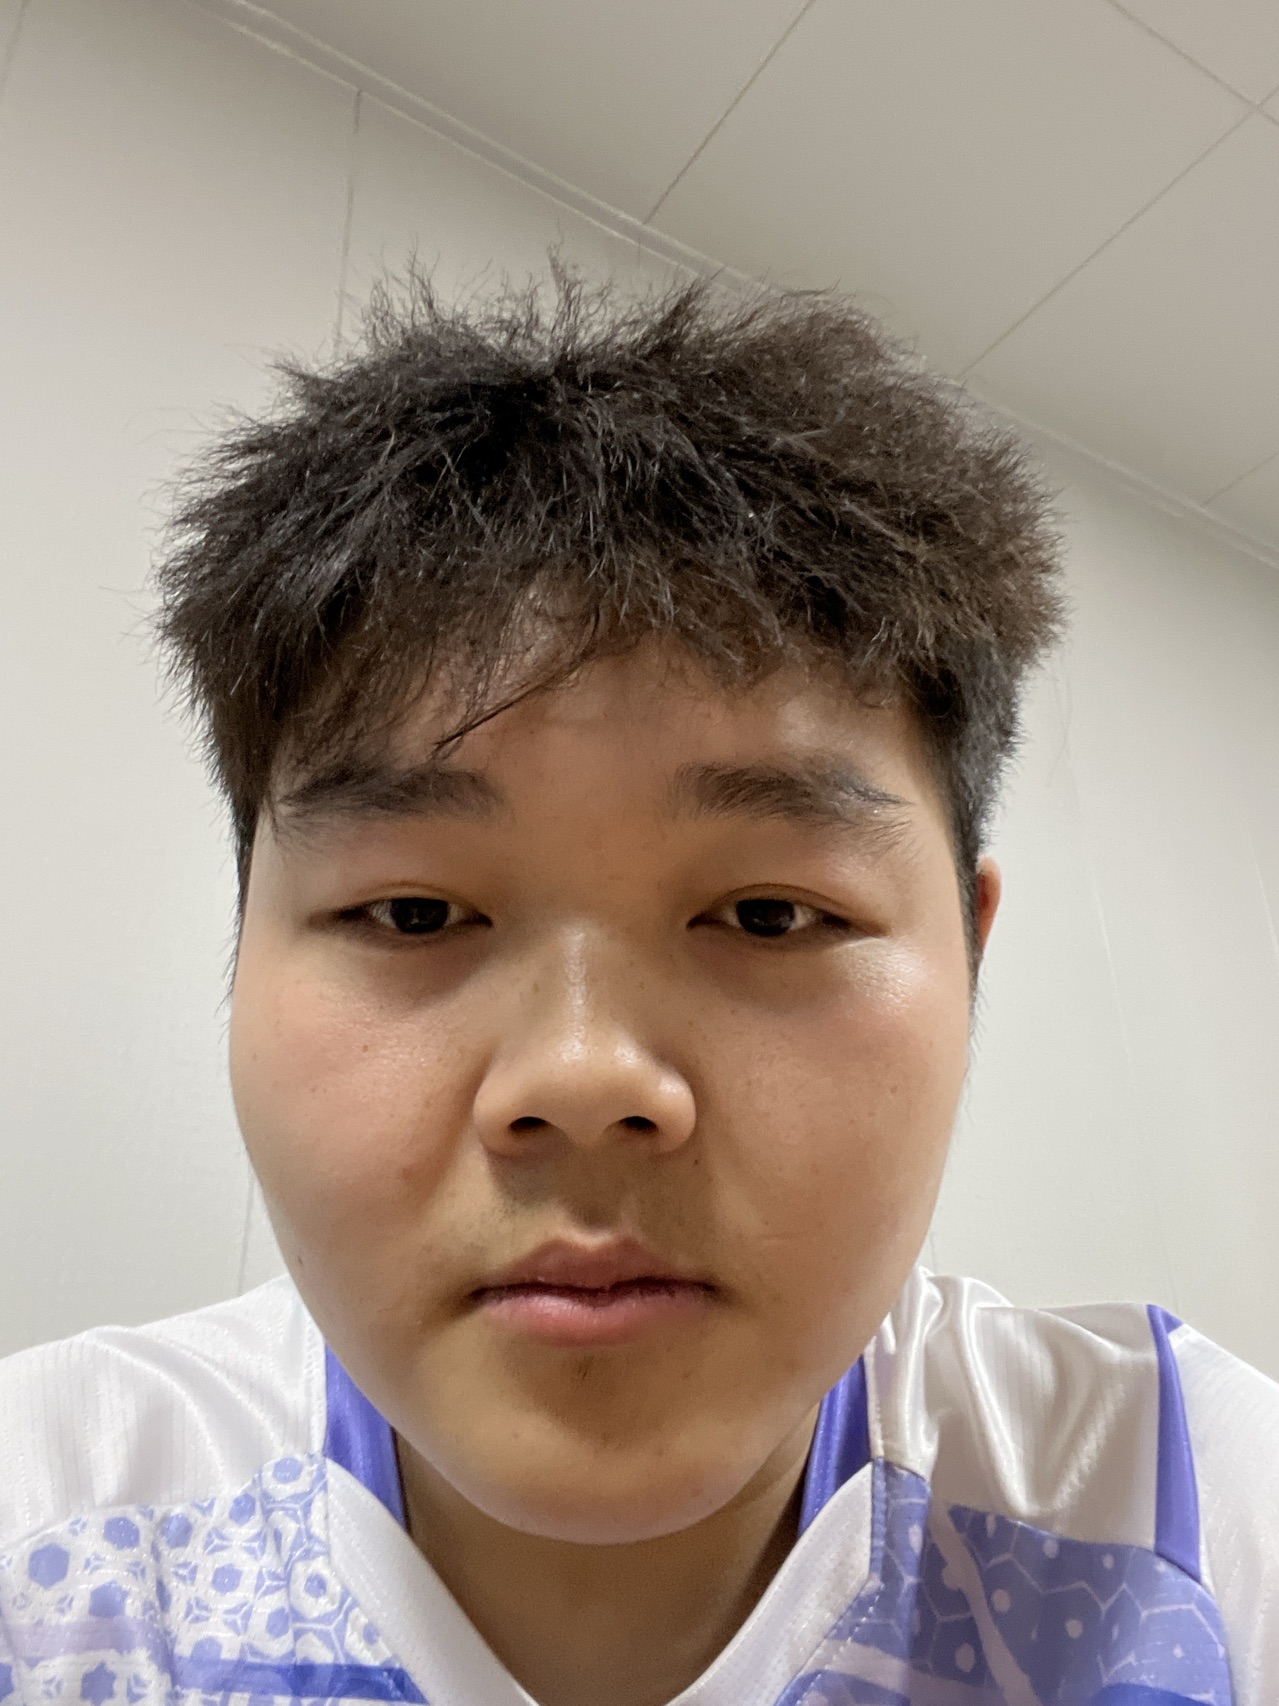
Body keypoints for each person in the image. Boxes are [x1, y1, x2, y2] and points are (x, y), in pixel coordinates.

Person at [1, 272, 1275, 1706]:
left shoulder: (1197, 1516)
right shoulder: (51, 1537)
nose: (584, 1075)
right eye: (413, 911)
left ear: (971, 960)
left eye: (771, 914)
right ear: (245, 941)